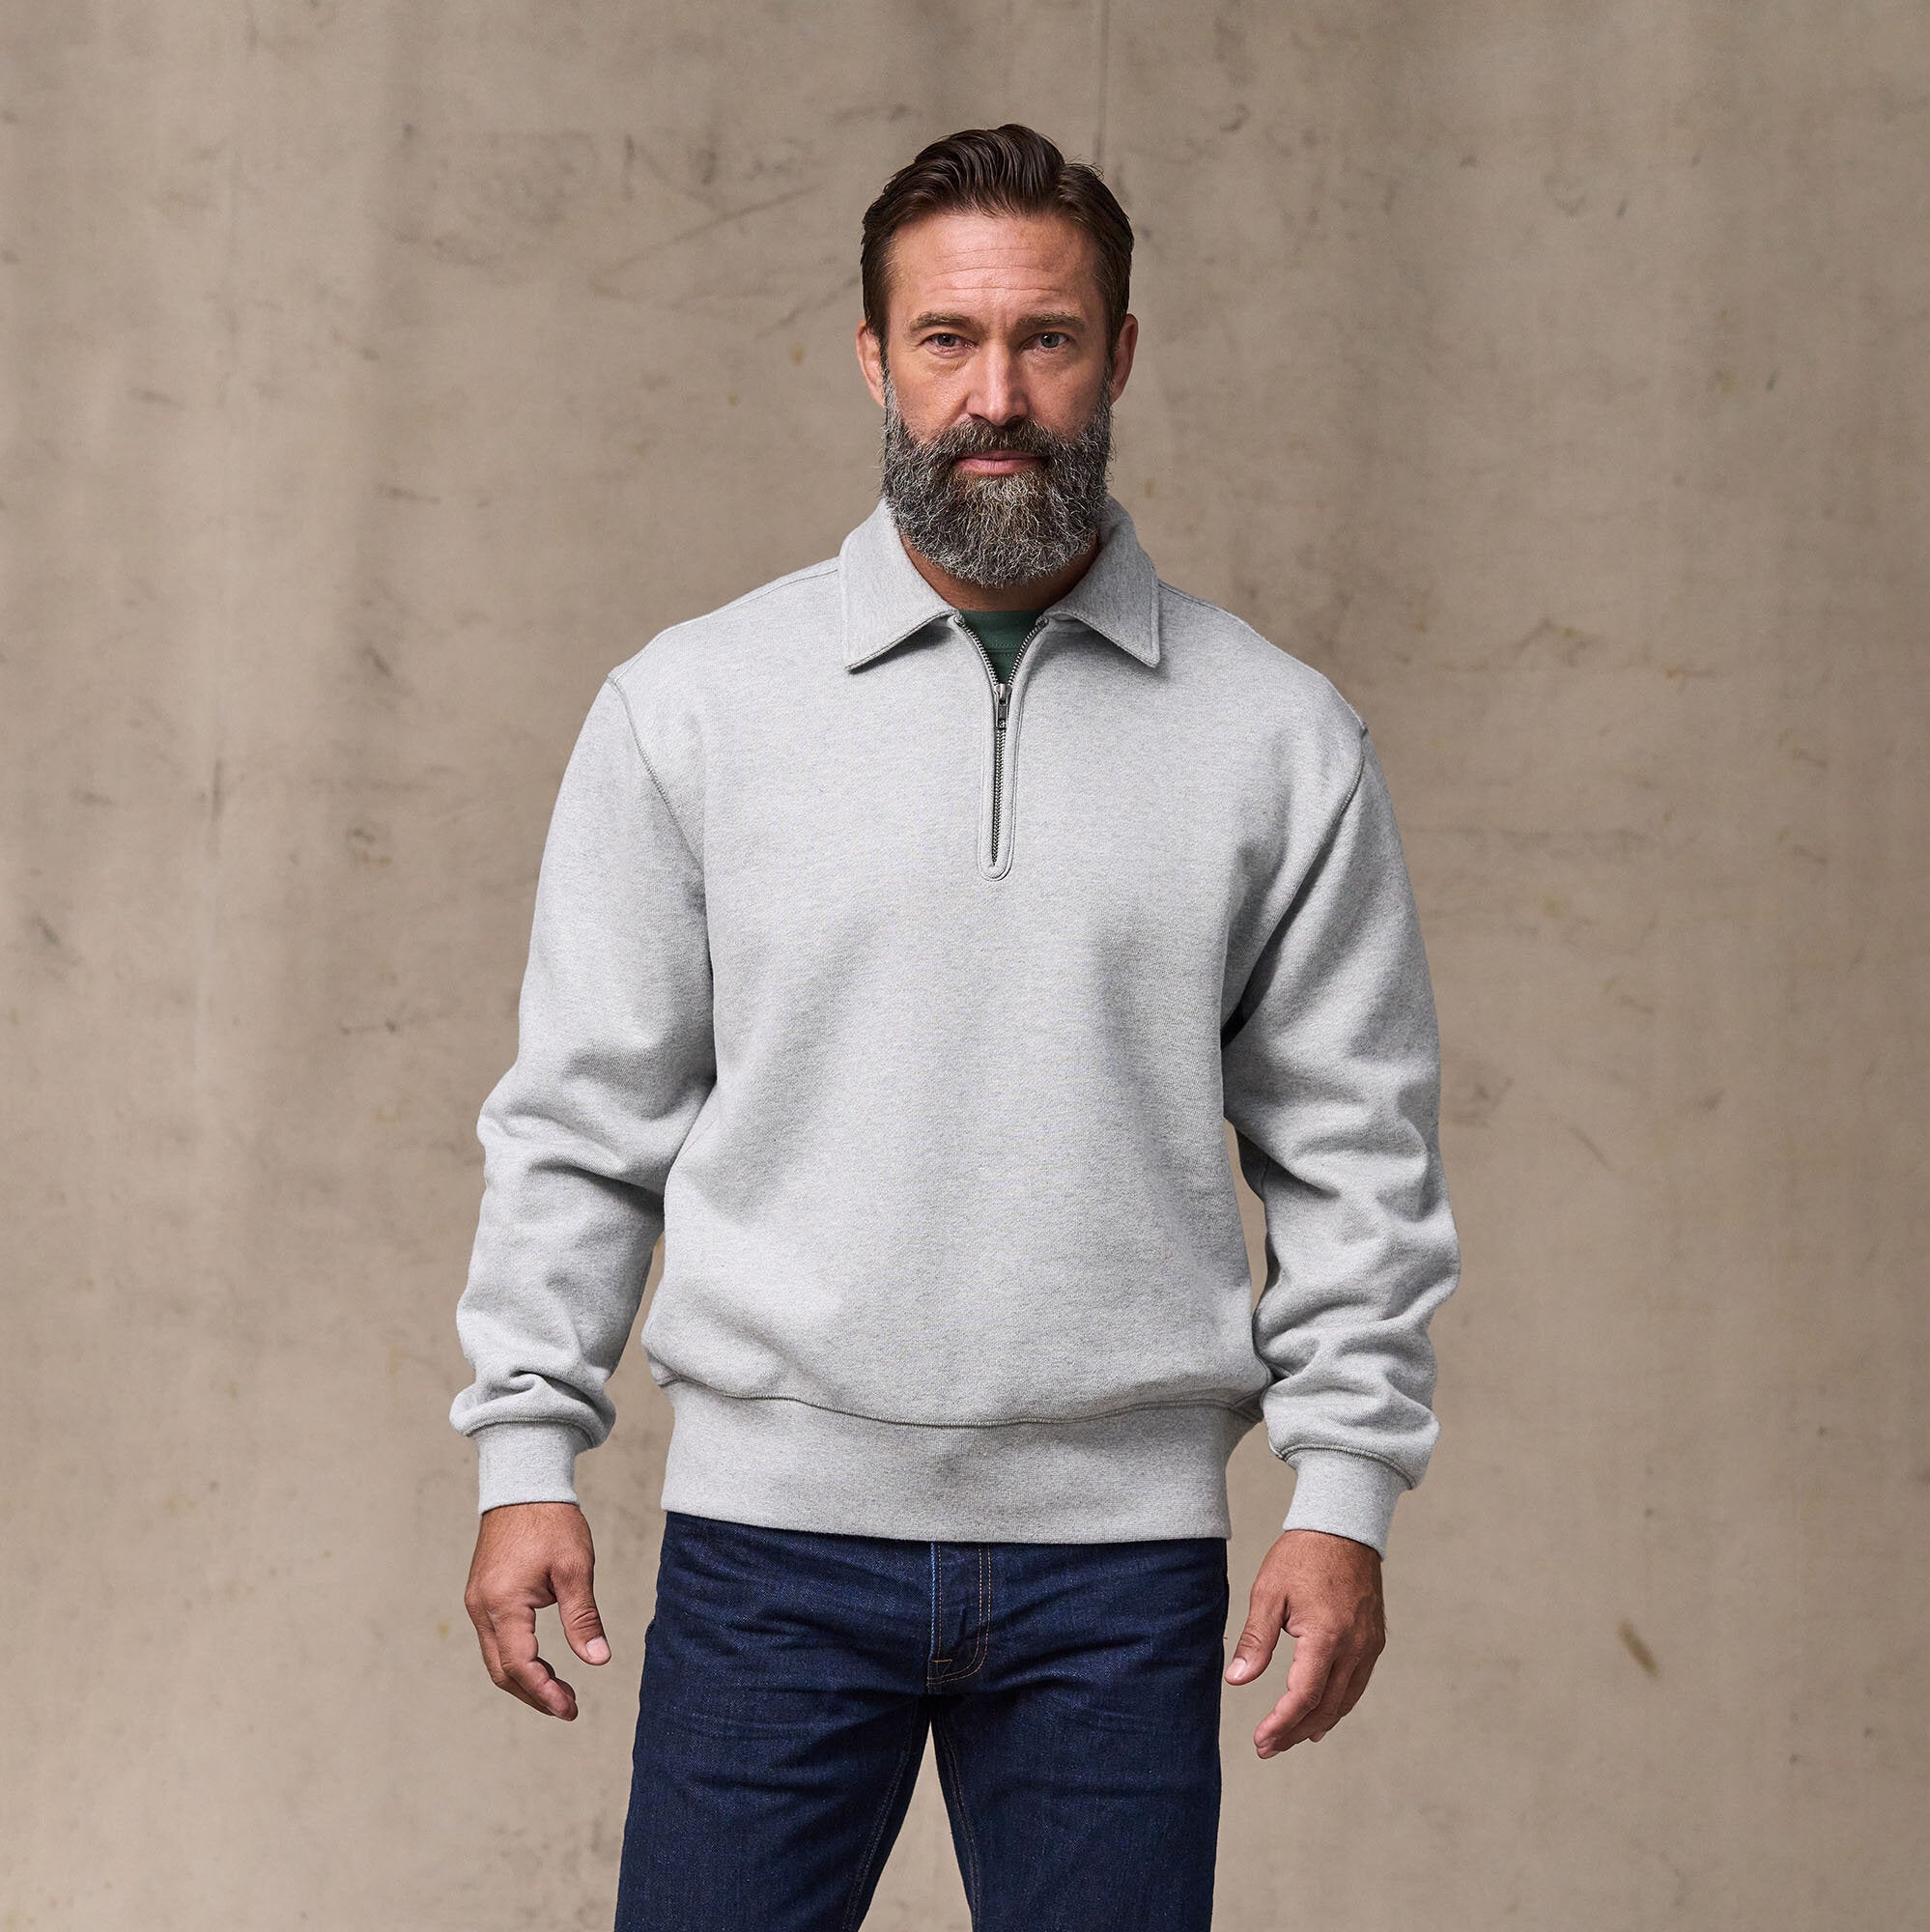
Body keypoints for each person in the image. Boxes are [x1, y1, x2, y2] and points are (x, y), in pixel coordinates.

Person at [450, 122, 1462, 1932]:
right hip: (770, 1551)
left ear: (1119, 357)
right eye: (947, 339)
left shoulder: (1279, 738)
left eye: (1046, 338)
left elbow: (1357, 1153)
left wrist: (1345, 1494)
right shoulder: (692, 709)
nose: (996, 395)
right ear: (874, 358)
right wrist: (527, 1451)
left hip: (1121, 1576)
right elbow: (581, 1126)